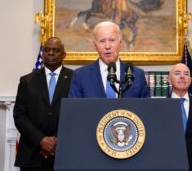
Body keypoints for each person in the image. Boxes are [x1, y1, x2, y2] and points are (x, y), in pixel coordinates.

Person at [13, 37, 73, 171]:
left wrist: (56, 141)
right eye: (47, 50)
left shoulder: (75, 79)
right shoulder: (27, 81)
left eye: (56, 50)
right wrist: (41, 140)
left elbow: (77, 115)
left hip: (65, 151)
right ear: (42, 53)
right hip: (32, 153)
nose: (51, 53)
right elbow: (19, 116)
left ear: (63, 55)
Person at [69, 21, 149, 98]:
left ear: (120, 43)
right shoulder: (80, 75)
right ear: (95, 45)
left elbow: (146, 109)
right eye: (102, 41)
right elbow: (75, 110)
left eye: (112, 40)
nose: (107, 46)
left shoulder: (137, 75)